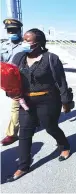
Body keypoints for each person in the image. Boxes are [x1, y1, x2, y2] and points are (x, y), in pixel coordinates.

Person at [6, 28, 72, 182]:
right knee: (24, 133)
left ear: (39, 43)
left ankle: (64, 145)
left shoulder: (51, 58)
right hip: (25, 101)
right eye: (24, 40)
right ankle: (23, 166)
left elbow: (61, 82)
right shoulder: (19, 57)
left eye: (28, 41)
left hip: (48, 100)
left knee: (50, 127)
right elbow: (12, 78)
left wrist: (65, 102)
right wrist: (10, 92)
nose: (24, 43)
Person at [0, 18, 24, 146]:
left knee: (16, 106)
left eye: (14, 30)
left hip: (24, 79)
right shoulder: (3, 45)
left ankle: (12, 134)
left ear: (20, 30)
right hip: (10, 82)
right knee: (19, 104)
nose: (11, 33)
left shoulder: (26, 45)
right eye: (9, 31)